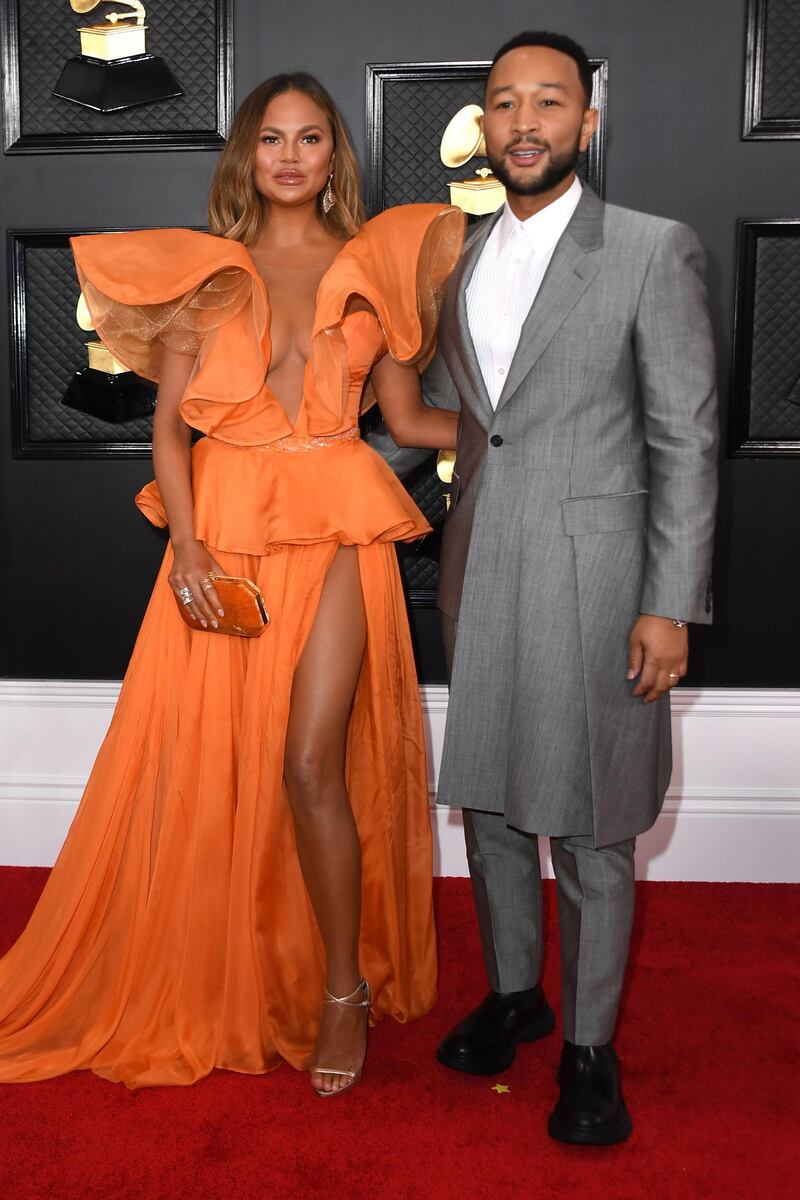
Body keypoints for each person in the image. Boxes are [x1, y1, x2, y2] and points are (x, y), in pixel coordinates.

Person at [0, 74, 464, 1095]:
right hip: (225, 531)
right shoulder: (206, 274)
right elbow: (169, 429)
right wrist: (194, 554)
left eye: (309, 137)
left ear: (333, 154)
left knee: (308, 762)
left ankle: (340, 992)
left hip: (337, 527)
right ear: (246, 156)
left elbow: (411, 419)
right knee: (220, 760)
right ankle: (244, 964)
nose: (289, 156)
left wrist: (531, 429)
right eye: (270, 139)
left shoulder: (372, 270)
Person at [387, 30, 717, 1143]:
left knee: (590, 826)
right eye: (502, 103)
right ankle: (517, 994)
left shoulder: (646, 248)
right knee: (483, 800)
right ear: (481, 124)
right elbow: (452, 418)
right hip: (478, 564)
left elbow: (683, 438)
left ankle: (588, 1046)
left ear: (585, 118)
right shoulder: (459, 257)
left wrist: (669, 600)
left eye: (547, 102)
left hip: (599, 579)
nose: (522, 122)